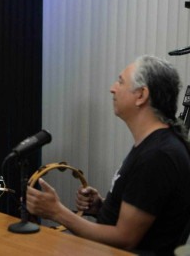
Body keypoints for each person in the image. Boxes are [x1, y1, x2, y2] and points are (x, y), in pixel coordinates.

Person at [26, 55, 190, 255]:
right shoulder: (155, 146)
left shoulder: (158, 155)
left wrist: (57, 212)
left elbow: (125, 240)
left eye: (120, 82)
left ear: (141, 95)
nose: (113, 88)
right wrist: (101, 207)